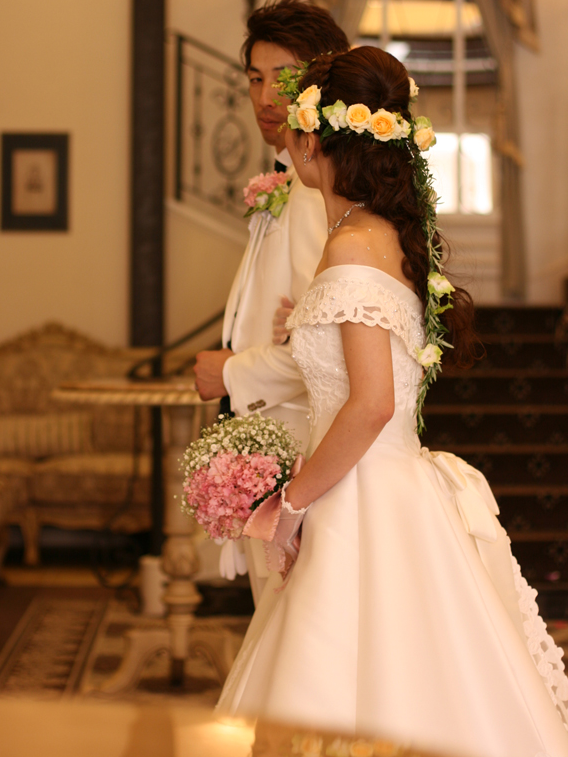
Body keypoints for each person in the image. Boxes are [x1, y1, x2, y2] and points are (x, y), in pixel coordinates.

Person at [216, 47, 568, 757]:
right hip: (386, 484)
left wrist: (292, 505)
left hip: (359, 493)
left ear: (313, 142)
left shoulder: (351, 245)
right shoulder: (384, 237)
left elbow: (372, 403)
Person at [193, 0, 348, 603]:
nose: (264, 97)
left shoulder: (313, 200)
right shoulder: (285, 185)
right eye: (254, 78)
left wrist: (231, 371)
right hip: (273, 450)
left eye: (282, 79)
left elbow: (330, 349)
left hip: (300, 455)